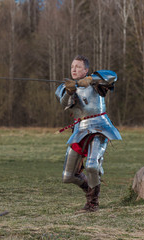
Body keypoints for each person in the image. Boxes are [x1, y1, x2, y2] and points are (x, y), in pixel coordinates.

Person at [55, 55, 122, 213]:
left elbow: (113, 76)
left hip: (99, 127)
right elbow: (64, 103)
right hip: (80, 130)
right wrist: (70, 91)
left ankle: (93, 203)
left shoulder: (97, 82)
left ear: (85, 69)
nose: (74, 69)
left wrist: (91, 78)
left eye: (78, 66)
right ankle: (90, 190)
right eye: (72, 66)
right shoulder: (65, 87)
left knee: (92, 166)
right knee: (68, 176)